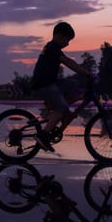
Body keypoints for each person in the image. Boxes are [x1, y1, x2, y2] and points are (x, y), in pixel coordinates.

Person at [31, 22, 92, 152]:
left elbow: (70, 61)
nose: (67, 43)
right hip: (44, 85)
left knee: (73, 83)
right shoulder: (53, 47)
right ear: (58, 35)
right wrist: (86, 73)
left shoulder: (52, 47)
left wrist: (83, 74)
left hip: (50, 82)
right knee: (62, 107)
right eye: (67, 39)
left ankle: (59, 110)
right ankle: (43, 135)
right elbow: (68, 62)